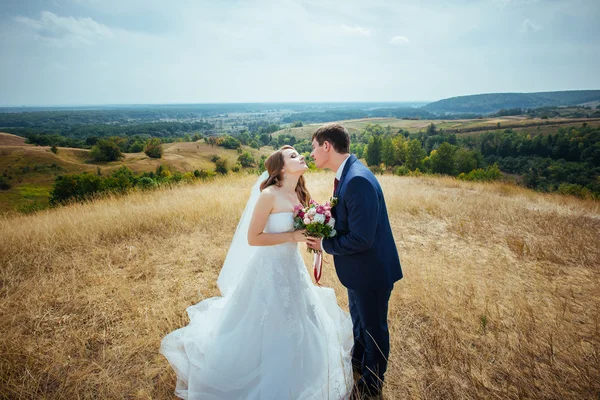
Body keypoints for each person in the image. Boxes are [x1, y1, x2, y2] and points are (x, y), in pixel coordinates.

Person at [160, 145, 354, 399]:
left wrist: (319, 229)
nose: (302, 156)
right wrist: (292, 235)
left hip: (292, 266)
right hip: (269, 269)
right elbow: (254, 238)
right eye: (293, 156)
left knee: (301, 316)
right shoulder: (268, 196)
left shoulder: (301, 194)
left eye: (299, 153)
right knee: (266, 320)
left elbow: (306, 225)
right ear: (281, 168)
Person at [307, 123, 403, 399]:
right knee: (359, 322)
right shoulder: (347, 174)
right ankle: (359, 364)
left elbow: (362, 239)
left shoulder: (357, 179)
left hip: (370, 272)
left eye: (314, 147)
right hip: (358, 273)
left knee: (374, 328)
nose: (312, 153)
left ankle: (373, 383)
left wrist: (325, 243)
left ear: (327, 146)